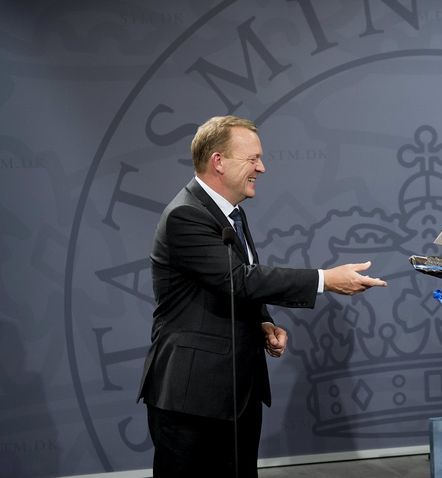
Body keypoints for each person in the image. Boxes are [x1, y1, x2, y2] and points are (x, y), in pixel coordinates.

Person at [137, 115, 387, 477]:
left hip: (235, 393)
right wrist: (324, 280)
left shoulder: (230, 215)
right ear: (218, 161)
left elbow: (231, 283)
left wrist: (263, 320)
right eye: (252, 158)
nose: (262, 168)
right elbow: (238, 279)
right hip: (191, 398)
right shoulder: (186, 216)